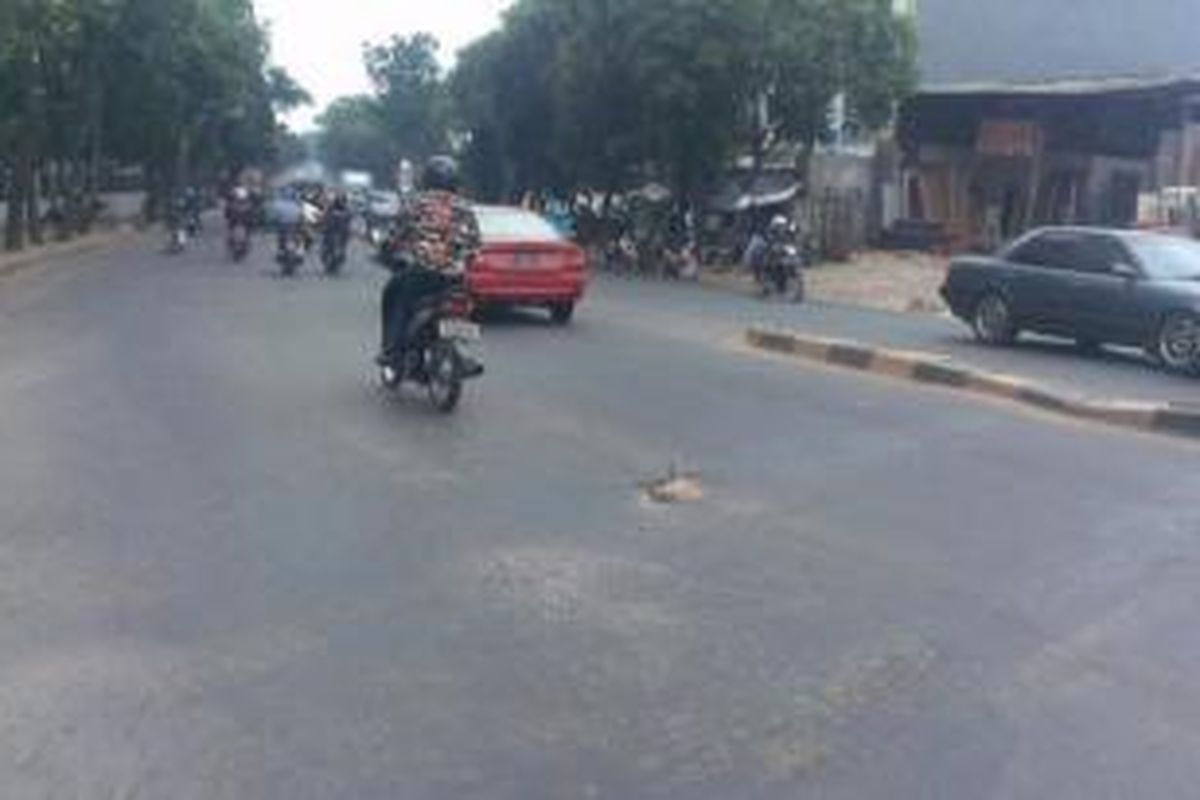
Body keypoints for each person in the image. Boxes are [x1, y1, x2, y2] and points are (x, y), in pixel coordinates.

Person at [377, 156, 481, 368]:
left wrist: (386, 248)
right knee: (461, 308)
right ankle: (463, 352)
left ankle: (392, 351)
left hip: (422, 274)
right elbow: (475, 242)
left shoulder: (416, 203)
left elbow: (397, 233)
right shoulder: (465, 207)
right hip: (455, 277)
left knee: (395, 296)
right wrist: (462, 260)